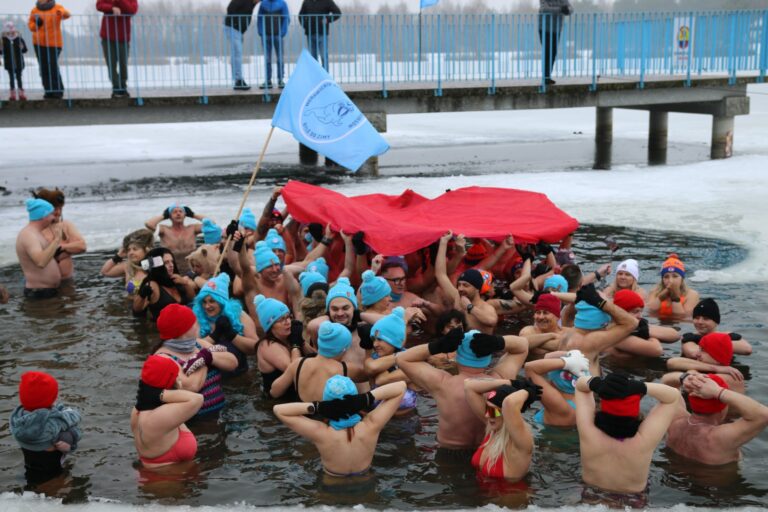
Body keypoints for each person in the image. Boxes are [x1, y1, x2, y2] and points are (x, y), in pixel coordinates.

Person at [398, 329, 529, 452]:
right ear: (488, 356)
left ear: (458, 357)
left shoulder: (443, 384)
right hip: (488, 452)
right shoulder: (501, 380)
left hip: (450, 452)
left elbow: (402, 358)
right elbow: (523, 345)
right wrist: (498, 341)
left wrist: (437, 346)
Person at [573, 373, 681, 504]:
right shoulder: (644, 439)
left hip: (592, 496)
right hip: (631, 501)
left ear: (603, 405)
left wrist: (596, 383)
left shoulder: (588, 431)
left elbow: (580, 386)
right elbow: (673, 396)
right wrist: (640, 386)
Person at [273, 377, 406, 478]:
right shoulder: (371, 425)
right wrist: (366, 398)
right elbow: (401, 387)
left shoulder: (321, 433)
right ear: (356, 400)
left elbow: (279, 410)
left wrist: (318, 407)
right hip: (364, 481)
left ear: (327, 403)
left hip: (332, 485)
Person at [152, 304, 238, 417]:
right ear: (184, 330)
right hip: (191, 422)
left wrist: (208, 357)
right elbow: (192, 386)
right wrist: (203, 359)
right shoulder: (163, 358)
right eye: (194, 322)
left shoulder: (197, 343)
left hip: (218, 415)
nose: (199, 325)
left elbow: (233, 362)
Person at [667, 372, 768, 465]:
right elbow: (763, 415)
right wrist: (718, 392)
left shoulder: (674, 421)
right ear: (723, 407)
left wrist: (686, 377)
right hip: (715, 478)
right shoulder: (720, 438)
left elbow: (667, 382)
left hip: (674, 471)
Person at [9, 371, 82, 484]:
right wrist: (70, 437)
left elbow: (51, 412)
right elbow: (71, 418)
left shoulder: (18, 418)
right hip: (52, 476)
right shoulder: (50, 425)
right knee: (65, 488)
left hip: (31, 467)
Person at [463, 378, 542, 481]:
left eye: (493, 411)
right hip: (480, 489)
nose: (487, 415)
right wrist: (512, 383)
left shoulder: (521, 443)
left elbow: (510, 403)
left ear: (507, 413)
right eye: (487, 409)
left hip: (509, 492)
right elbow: (469, 386)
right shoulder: (492, 427)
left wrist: (529, 391)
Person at [131, 355, 203, 468]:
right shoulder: (158, 417)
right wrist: (158, 394)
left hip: (154, 474)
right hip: (167, 477)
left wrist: (154, 393)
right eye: (177, 376)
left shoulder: (137, 410)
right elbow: (198, 399)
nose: (180, 380)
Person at [192, 274, 259, 378]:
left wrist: (232, 335)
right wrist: (214, 336)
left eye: (212, 301)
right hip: (212, 378)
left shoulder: (239, 314)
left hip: (240, 375)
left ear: (222, 301)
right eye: (204, 302)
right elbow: (192, 350)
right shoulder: (198, 318)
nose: (207, 306)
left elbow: (255, 348)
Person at [435, 232, 498, 334]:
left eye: (465, 285)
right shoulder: (457, 298)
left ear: (477, 288)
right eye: (459, 285)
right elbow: (440, 274)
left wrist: (470, 307)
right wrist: (443, 242)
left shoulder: (486, 307)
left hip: (480, 343)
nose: (460, 288)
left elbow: (491, 321)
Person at [362, 307, 419, 414]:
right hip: (379, 420)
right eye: (373, 339)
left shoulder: (412, 361)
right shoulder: (372, 360)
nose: (375, 344)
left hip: (410, 418)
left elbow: (382, 380)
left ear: (394, 340)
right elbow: (378, 377)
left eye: (380, 339)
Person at [254, 294, 304, 399]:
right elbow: (297, 371)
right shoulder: (267, 345)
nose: (288, 322)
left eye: (288, 317)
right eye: (282, 320)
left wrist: (302, 340)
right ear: (270, 325)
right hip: (276, 403)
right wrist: (296, 343)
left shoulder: (287, 337)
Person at [524, 349, 590, 427]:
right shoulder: (586, 399)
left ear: (553, 382)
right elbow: (546, 358)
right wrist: (569, 355)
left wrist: (566, 362)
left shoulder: (560, 407)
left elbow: (529, 368)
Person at [33, 188, 87, 283]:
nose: (58, 212)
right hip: (44, 283)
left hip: (67, 281)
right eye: (55, 209)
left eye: (60, 208)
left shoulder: (66, 225)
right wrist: (67, 250)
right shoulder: (35, 230)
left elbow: (82, 246)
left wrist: (61, 247)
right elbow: (40, 260)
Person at [15, 198, 62, 298]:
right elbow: (41, 262)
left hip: (45, 291)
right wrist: (56, 240)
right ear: (44, 215)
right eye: (52, 214)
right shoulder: (28, 235)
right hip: (39, 293)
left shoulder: (36, 233)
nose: (54, 217)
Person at [135, 247, 195, 320]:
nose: (171, 265)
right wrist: (142, 295)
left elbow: (192, 298)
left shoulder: (176, 278)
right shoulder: (152, 285)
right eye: (166, 262)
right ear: (158, 266)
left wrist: (185, 283)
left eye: (172, 261)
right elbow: (136, 310)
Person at [145, 203, 205, 274]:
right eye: (175, 212)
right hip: (171, 267)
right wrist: (163, 216)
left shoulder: (193, 228)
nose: (178, 214)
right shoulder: (164, 230)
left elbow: (211, 224)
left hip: (191, 267)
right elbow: (149, 224)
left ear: (185, 215)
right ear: (169, 216)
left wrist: (193, 215)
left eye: (180, 211)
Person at [95, 0, 139, 98]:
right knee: (111, 64)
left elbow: (132, 10)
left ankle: (123, 87)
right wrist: (112, 8)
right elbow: (99, 5)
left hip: (123, 37)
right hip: (107, 36)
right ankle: (116, 88)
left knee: (123, 63)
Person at [681, 298, 752, 357]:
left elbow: (747, 349)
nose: (700, 322)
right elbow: (694, 354)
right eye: (696, 318)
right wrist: (724, 342)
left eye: (706, 319)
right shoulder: (689, 337)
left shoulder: (728, 335)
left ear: (716, 321)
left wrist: (703, 340)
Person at [28, 0, 70, 99]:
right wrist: (36, 24)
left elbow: (67, 14)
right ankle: (48, 91)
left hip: (54, 43)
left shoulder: (57, 7)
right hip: (38, 43)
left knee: (52, 65)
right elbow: (31, 26)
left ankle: (58, 90)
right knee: (43, 67)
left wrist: (61, 13)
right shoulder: (35, 10)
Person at [100, 228, 153, 297]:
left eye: (135, 249)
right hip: (129, 302)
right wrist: (118, 256)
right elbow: (105, 272)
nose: (131, 252)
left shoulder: (155, 264)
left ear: (145, 250)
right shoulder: (128, 266)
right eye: (128, 250)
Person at [647, 253, 700, 318]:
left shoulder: (692, 295)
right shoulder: (654, 292)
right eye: (666, 277)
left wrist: (675, 298)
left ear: (682, 279)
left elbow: (683, 318)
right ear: (662, 280)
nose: (670, 280)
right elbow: (649, 313)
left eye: (675, 276)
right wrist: (660, 298)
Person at [224, 0, 260, 91]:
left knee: (236, 54)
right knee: (237, 54)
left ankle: (238, 80)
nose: (259, 2)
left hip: (238, 31)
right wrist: (236, 23)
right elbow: (230, 8)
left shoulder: (252, 4)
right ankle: (238, 80)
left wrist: (241, 30)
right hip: (233, 28)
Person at [298, 0, 341, 70]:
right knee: (313, 58)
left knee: (324, 56)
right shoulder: (306, 2)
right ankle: (315, 76)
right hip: (310, 34)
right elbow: (300, 16)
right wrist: (305, 25)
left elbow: (338, 13)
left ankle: (325, 75)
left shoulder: (327, 1)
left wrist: (328, 19)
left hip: (322, 34)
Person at [538, 0, 572, 85]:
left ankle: (547, 76)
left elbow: (571, 8)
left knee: (553, 52)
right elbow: (544, 9)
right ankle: (546, 77)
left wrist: (567, 10)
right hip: (544, 28)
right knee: (547, 52)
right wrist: (560, 9)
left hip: (556, 29)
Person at [256, 0, 289, 89]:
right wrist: (261, 32)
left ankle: (280, 80)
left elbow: (286, 18)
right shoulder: (263, 4)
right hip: (266, 36)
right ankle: (268, 81)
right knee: (267, 59)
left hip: (278, 36)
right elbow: (259, 18)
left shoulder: (282, 3)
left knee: (280, 58)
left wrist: (282, 33)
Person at [1, 21, 29, 101]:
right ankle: (12, 94)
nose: (10, 31)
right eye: (8, 29)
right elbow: (1, 52)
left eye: (12, 29)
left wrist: (22, 47)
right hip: (9, 63)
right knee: (11, 78)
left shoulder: (19, 38)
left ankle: (21, 94)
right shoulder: (3, 40)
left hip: (19, 62)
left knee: (19, 77)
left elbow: (25, 50)